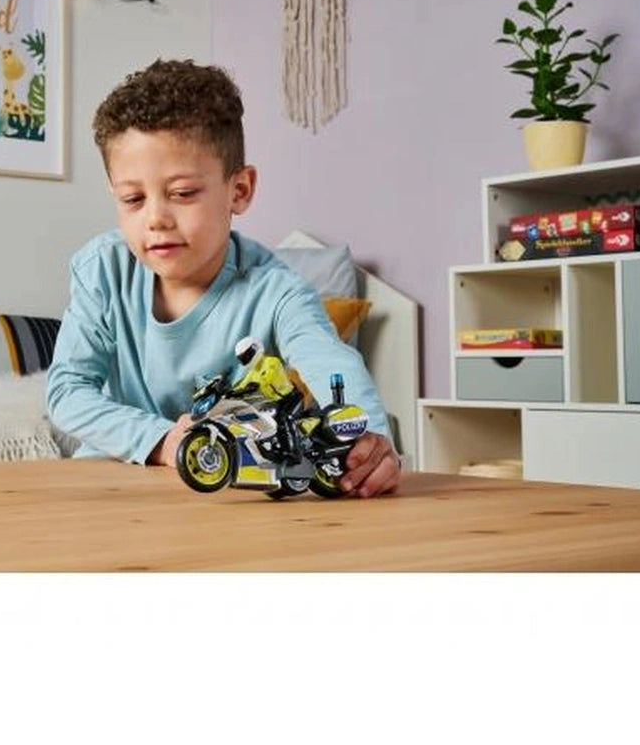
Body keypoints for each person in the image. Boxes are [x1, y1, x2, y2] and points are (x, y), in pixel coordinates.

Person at [45, 59, 400, 498]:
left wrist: (369, 442)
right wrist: (161, 440)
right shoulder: (102, 270)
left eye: (182, 194)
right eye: (133, 199)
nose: (155, 218)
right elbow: (67, 391)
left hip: (230, 498)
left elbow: (331, 362)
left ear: (240, 191)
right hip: (116, 483)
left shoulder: (277, 292)